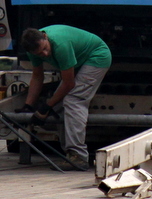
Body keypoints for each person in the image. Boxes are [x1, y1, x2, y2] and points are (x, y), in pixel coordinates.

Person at [20, 25, 112, 169]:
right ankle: (69, 154)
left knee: (73, 100)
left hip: (97, 56)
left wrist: (46, 106)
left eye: (45, 49)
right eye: (39, 53)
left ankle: (79, 157)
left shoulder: (60, 45)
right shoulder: (34, 49)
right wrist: (28, 105)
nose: (44, 54)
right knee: (59, 104)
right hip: (80, 60)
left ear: (45, 37)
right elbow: (37, 77)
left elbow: (69, 84)